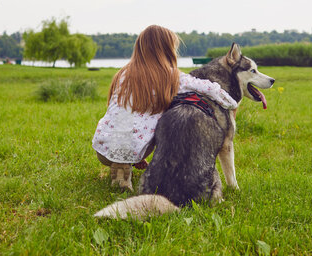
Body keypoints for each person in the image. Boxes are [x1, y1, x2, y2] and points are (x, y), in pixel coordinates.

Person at [92, 25, 237, 191]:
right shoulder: (170, 75)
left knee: (131, 122)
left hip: (103, 148)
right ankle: (125, 164)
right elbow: (208, 88)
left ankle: (122, 165)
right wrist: (231, 103)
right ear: (166, 50)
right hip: (135, 147)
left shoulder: (123, 73)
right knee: (162, 121)